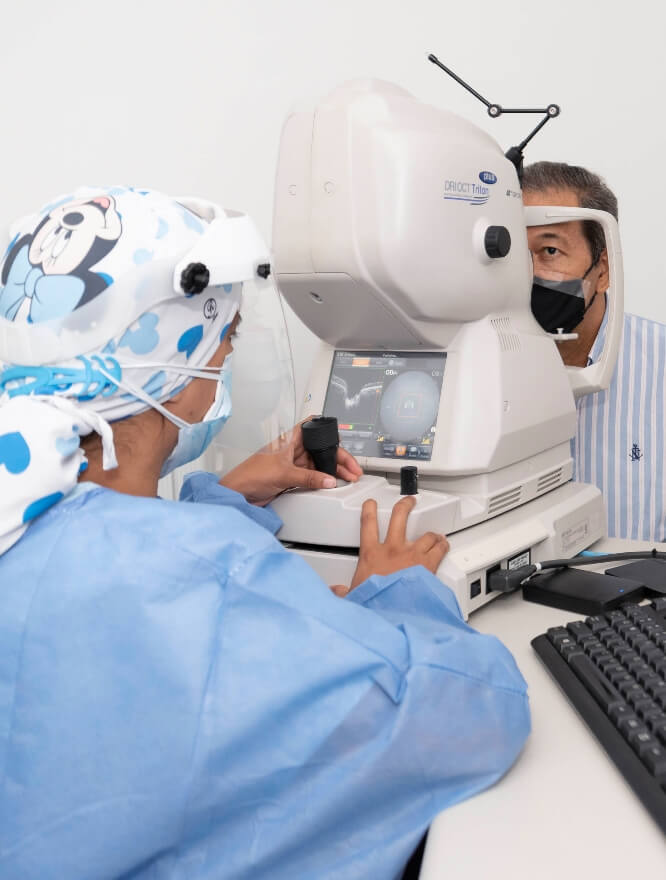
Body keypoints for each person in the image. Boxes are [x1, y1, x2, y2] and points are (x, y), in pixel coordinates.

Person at [0, 186, 529, 880]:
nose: (222, 367)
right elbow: (471, 709)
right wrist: (394, 595)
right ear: (178, 372)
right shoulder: (210, 577)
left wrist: (222, 498)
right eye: (228, 337)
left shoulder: (26, 512)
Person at [523, 161, 666, 542]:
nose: (525, 273)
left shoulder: (660, 368)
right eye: (511, 254)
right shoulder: (471, 370)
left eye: (549, 250)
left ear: (602, 269)